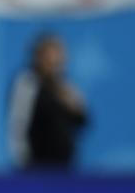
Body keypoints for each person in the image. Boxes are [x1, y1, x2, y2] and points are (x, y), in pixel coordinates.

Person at [8, 33, 88, 169]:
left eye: (59, 56)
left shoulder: (64, 85)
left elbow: (82, 119)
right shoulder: (27, 82)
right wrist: (21, 158)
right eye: (50, 55)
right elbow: (19, 122)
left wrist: (69, 101)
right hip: (35, 165)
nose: (55, 61)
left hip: (64, 165)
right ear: (38, 56)